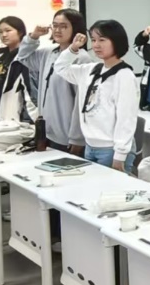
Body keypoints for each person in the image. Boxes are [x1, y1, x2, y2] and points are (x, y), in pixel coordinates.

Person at [54, 20, 140, 173]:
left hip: (111, 149)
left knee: (111, 188)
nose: (96, 45)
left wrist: (120, 155)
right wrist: (73, 48)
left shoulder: (124, 76)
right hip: (90, 145)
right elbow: (60, 68)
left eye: (102, 40)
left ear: (117, 41)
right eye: (93, 40)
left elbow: (126, 119)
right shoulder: (91, 70)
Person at [18, 9, 93, 151]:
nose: (58, 30)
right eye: (55, 25)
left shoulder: (81, 58)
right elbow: (23, 58)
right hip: (46, 132)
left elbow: (82, 103)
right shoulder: (49, 53)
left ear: (76, 29)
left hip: (67, 136)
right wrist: (34, 37)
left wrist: (77, 139)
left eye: (63, 26)